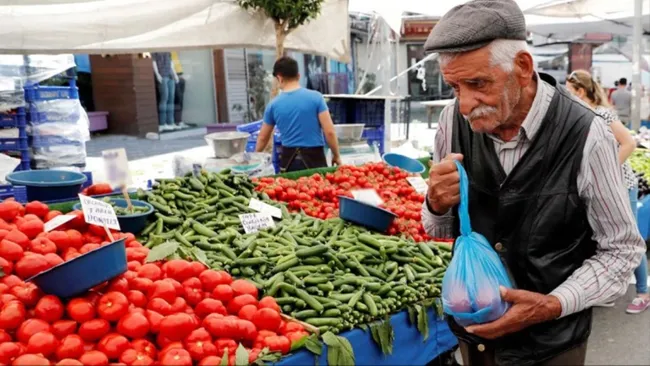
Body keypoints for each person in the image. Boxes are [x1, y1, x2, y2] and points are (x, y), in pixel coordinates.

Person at [421, 0, 645, 365]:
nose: (464, 104)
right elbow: (440, 228)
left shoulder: (586, 134)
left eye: (478, 84)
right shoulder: (451, 122)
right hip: (475, 339)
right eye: (455, 87)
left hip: (552, 345)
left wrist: (552, 304)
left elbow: (621, 250)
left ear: (523, 67)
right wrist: (435, 202)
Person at [566, 70, 649, 314]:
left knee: (629, 237)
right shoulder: (581, 116)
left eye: (570, 93)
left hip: (623, 186)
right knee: (603, 236)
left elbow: (629, 143)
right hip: (601, 188)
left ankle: (643, 292)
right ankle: (609, 290)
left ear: (581, 92)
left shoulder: (601, 114)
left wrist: (607, 171)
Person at [255, 56, 341, 172]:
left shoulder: (273, 105)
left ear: (279, 78)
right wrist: (336, 155)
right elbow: (329, 132)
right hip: (315, 161)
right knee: (318, 189)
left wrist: (254, 158)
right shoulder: (316, 98)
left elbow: (263, 137)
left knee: (292, 189)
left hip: (289, 163)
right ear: (298, 76)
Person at [152, 52, 179, 132]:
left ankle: (170, 122)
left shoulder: (168, 50)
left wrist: (175, 75)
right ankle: (162, 123)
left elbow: (171, 63)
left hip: (170, 76)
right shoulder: (155, 50)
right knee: (165, 98)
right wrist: (157, 74)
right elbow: (153, 62)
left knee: (171, 99)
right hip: (162, 75)